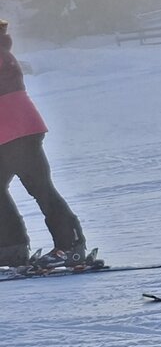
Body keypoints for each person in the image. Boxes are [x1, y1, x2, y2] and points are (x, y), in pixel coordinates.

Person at [0, 17, 87, 268]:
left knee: (41, 189)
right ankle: (11, 249)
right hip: (14, 131)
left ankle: (70, 246)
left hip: (17, 131)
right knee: (39, 189)